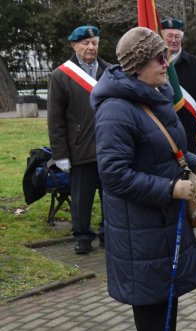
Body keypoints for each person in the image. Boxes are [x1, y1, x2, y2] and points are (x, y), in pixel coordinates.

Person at [91, 27, 196, 331]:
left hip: (161, 211)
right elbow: (113, 173)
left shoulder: (153, 93)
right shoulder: (116, 109)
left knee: (166, 280)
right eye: (160, 58)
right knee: (149, 286)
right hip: (139, 216)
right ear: (138, 65)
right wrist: (169, 190)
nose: (167, 63)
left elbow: (166, 148)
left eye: (166, 56)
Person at [47, 25, 109, 254]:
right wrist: (60, 154)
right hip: (80, 148)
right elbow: (55, 119)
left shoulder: (110, 71)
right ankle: (82, 236)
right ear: (74, 45)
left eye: (94, 42)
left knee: (109, 195)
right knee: (82, 199)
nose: (91, 47)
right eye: (85, 43)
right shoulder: (61, 75)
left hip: (109, 146)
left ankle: (108, 232)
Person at [160, 18, 196, 156]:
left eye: (177, 36)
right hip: (160, 136)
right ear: (161, 38)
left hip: (189, 136)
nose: (173, 40)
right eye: (169, 36)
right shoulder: (153, 65)